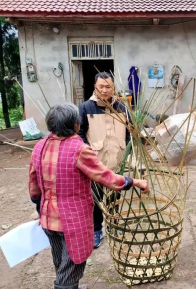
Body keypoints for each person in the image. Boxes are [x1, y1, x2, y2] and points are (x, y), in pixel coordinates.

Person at [29, 103, 149, 289]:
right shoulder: (79, 150)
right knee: (72, 265)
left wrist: (40, 209)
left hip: (48, 220)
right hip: (72, 222)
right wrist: (134, 182)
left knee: (61, 260)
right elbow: (107, 178)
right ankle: (65, 286)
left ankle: (69, 285)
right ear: (76, 125)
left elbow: (34, 187)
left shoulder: (39, 147)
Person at [78, 71, 129, 248]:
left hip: (116, 162)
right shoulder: (85, 108)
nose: (105, 90)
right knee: (96, 200)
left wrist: (126, 151)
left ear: (113, 87)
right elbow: (79, 135)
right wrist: (88, 153)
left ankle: (114, 226)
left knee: (115, 197)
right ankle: (96, 230)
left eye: (108, 86)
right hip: (96, 164)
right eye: (101, 87)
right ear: (95, 87)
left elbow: (129, 133)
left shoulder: (122, 108)